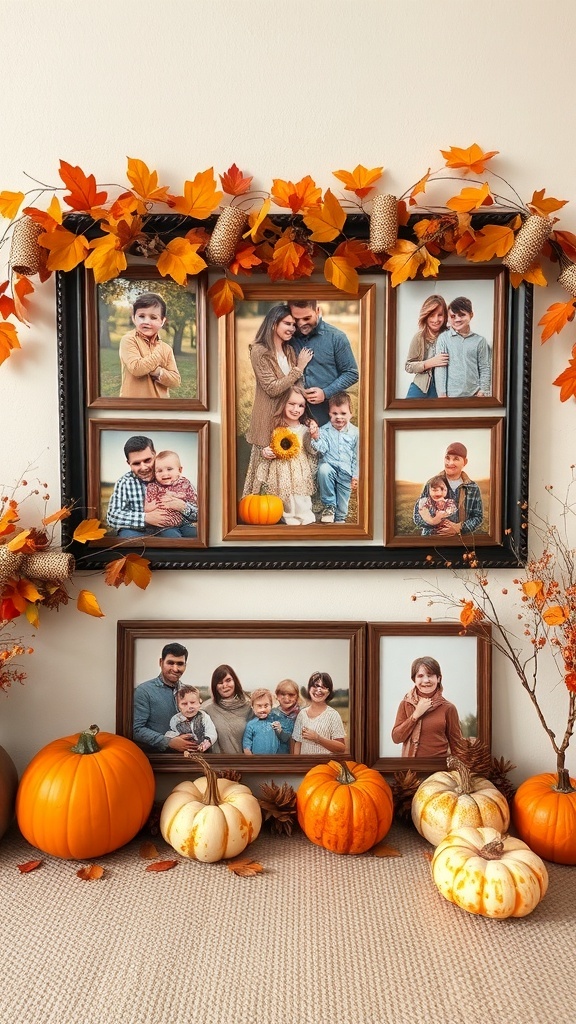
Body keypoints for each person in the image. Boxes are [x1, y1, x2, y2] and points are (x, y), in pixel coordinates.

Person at [242, 304, 313, 497]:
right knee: (266, 469)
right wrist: (299, 368)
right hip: (267, 417)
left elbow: (297, 386)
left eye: (294, 325)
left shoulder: (289, 350)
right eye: (287, 323)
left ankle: (290, 506)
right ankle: (264, 506)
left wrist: (305, 414)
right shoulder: (259, 351)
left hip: (288, 417)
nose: (292, 328)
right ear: (274, 324)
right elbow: (272, 388)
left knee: (288, 466)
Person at [106, 435, 197, 539]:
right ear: (129, 463)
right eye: (136, 463)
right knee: (129, 537)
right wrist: (146, 518)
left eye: (147, 460)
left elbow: (197, 511)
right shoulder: (125, 482)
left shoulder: (173, 478)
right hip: (138, 530)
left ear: (154, 454)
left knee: (189, 534)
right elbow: (112, 516)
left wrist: (183, 506)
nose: (143, 467)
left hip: (173, 526)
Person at [251, 386, 317, 525]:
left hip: (299, 468)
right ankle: (287, 515)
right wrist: (265, 451)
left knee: (299, 494)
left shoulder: (305, 429)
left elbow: (311, 450)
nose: (296, 409)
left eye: (301, 406)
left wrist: (314, 436)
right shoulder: (274, 427)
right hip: (280, 467)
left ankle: (303, 514)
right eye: (291, 404)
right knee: (284, 494)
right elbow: (264, 446)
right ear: (282, 403)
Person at [289, 299, 359, 426]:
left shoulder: (337, 337)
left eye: (306, 318)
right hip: (295, 416)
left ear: (318, 311)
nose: (301, 323)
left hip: (327, 417)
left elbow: (351, 373)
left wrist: (325, 393)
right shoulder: (289, 337)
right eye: (296, 319)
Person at [391, 656, 464, 758]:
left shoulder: (448, 708)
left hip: (439, 766)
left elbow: (457, 745)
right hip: (410, 766)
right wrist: (415, 715)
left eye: (430, 675)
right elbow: (396, 738)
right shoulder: (405, 704)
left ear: (438, 678)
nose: (426, 680)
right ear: (414, 679)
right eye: (420, 676)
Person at [133, 643, 198, 753]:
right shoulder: (144, 691)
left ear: (185, 666)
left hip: (187, 757)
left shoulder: (188, 692)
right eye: (170, 663)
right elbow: (136, 730)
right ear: (161, 662)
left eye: (180, 664)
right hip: (157, 758)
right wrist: (168, 742)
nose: (175, 669)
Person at [118, 291, 181, 399]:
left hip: (161, 405)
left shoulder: (166, 348)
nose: (146, 321)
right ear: (134, 318)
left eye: (153, 317)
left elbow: (176, 381)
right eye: (141, 316)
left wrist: (158, 372)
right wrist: (158, 356)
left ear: (162, 321)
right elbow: (137, 369)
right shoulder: (128, 340)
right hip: (132, 404)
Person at [413, 442, 484, 537]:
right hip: (431, 540)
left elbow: (477, 517)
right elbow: (417, 516)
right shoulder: (432, 484)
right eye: (447, 458)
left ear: (465, 462)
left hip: (460, 541)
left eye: (456, 459)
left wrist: (459, 528)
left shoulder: (473, 487)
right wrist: (433, 521)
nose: (450, 463)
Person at [309, 391, 358, 524]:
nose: (339, 417)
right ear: (329, 413)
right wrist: (316, 438)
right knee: (324, 469)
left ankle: (340, 520)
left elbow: (357, 456)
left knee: (342, 509)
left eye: (343, 413)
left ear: (351, 414)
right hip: (329, 466)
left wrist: (355, 475)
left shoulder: (356, 433)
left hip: (346, 472)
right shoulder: (324, 430)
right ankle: (329, 506)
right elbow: (323, 448)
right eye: (334, 413)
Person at [434, 296, 491, 398]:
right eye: (453, 316)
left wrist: (483, 390)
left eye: (462, 315)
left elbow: (484, 367)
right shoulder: (444, 338)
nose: (457, 319)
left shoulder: (480, 341)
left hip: (474, 395)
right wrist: (442, 394)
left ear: (471, 315)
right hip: (451, 396)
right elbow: (440, 368)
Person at [144, 449, 198, 538]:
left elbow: (196, 509)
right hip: (164, 525)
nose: (165, 473)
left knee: (195, 533)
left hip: (184, 523)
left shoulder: (185, 484)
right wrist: (153, 506)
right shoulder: (153, 486)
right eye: (159, 471)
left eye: (169, 469)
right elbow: (146, 507)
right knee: (173, 537)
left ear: (180, 470)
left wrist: (182, 506)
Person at [404, 295, 449, 398]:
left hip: (443, 390)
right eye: (431, 315)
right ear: (426, 316)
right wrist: (428, 363)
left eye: (440, 315)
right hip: (420, 387)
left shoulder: (450, 336)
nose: (436, 319)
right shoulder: (419, 337)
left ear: (445, 316)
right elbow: (408, 366)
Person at [202, 664, 254, 754]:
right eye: (220, 682)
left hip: (246, 761)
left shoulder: (250, 707)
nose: (225, 685)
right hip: (218, 761)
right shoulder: (207, 710)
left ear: (235, 681)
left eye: (228, 680)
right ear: (215, 686)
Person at [292, 671, 346, 755]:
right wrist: (297, 762)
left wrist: (318, 738)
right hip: (305, 763)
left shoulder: (333, 715)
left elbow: (341, 748)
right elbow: (298, 743)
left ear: (328, 692)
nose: (319, 690)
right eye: (315, 686)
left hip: (325, 763)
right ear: (309, 689)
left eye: (323, 687)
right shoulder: (302, 714)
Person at [165, 684, 218, 753]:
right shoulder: (176, 719)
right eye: (184, 704)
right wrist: (177, 737)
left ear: (200, 702)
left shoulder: (203, 717)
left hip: (204, 752)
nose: (189, 707)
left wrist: (207, 742)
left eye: (192, 702)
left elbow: (212, 732)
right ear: (178, 706)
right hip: (182, 753)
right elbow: (169, 734)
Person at [242, 688, 283, 755]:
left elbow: (282, 739)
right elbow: (246, 744)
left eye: (266, 706)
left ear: (271, 705)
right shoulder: (251, 725)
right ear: (252, 707)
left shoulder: (275, 721)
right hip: (257, 759)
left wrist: (279, 729)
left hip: (274, 759)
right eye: (259, 706)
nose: (263, 709)